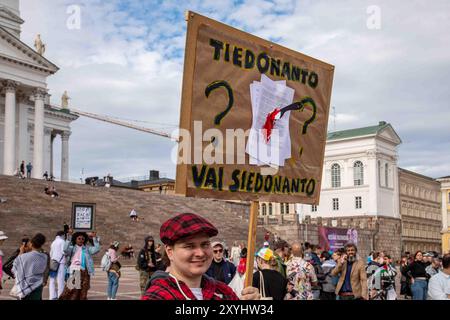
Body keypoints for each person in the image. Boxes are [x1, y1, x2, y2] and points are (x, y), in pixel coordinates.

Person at [142, 213, 260, 300]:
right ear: (170, 252)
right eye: (189, 246)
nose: (200, 253)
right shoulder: (156, 296)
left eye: (205, 244)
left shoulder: (223, 291)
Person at [59, 230, 100, 300]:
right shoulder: (72, 248)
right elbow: (65, 249)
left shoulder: (87, 249)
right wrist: (69, 237)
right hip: (75, 269)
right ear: (75, 239)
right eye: (79, 238)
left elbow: (96, 249)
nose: (81, 240)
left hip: (84, 271)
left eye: (83, 239)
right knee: (71, 289)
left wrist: (94, 238)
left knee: (83, 291)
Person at [12, 233, 48, 300]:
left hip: (25, 287)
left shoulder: (24, 257)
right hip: (38, 286)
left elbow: (14, 268)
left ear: (31, 244)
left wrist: (21, 252)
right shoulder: (45, 256)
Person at [49, 231, 66, 300]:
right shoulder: (62, 241)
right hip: (61, 263)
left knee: (52, 279)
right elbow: (63, 251)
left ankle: (52, 296)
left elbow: (51, 253)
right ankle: (60, 295)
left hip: (53, 262)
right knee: (60, 280)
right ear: (62, 235)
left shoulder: (53, 242)